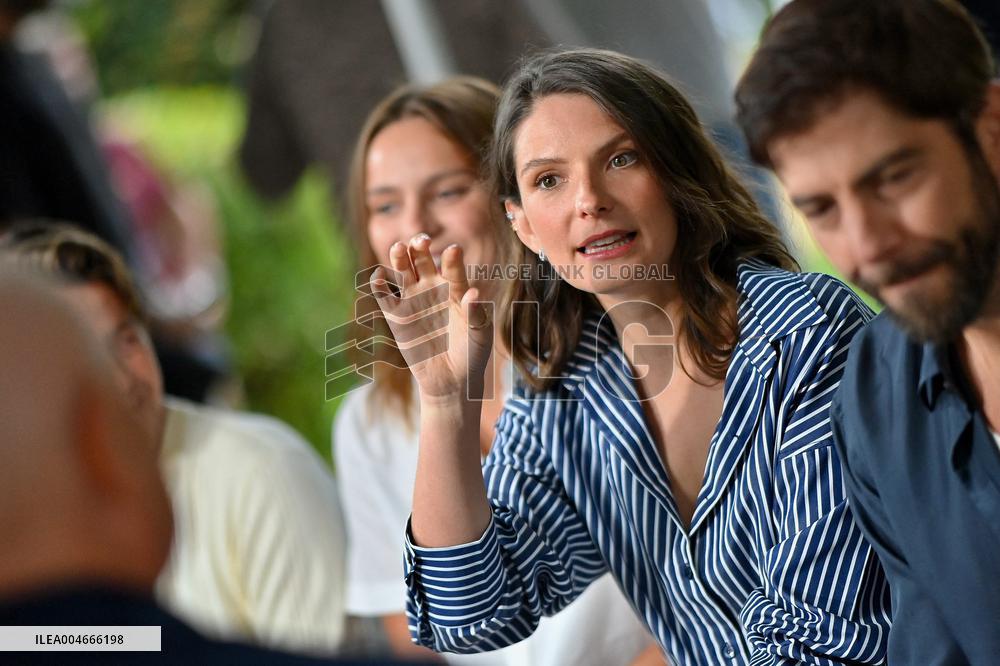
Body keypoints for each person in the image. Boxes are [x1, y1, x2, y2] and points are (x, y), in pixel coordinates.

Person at [370, 48, 891, 665]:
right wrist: (447, 404)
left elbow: (826, 641)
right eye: (548, 180)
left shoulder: (802, 329)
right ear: (523, 225)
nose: (588, 200)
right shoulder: (564, 386)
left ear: (676, 174)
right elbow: (471, 616)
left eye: (621, 159)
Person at [333, 76, 659, 665]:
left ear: (519, 204)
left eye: (449, 190)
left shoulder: (613, 357)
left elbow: (705, 586)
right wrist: (444, 400)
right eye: (384, 204)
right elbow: (423, 634)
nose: (415, 225)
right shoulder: (370, 419)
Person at [734, 0, 1000, 662]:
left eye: (893, 178)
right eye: (821, 209)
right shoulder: (877, 393)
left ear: (992, 127)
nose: (867, 246)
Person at [0, 267, 425, 665]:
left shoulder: (261, 469)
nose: (125, 383)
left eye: (128, 341)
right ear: (99, 451)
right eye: (95, 365)